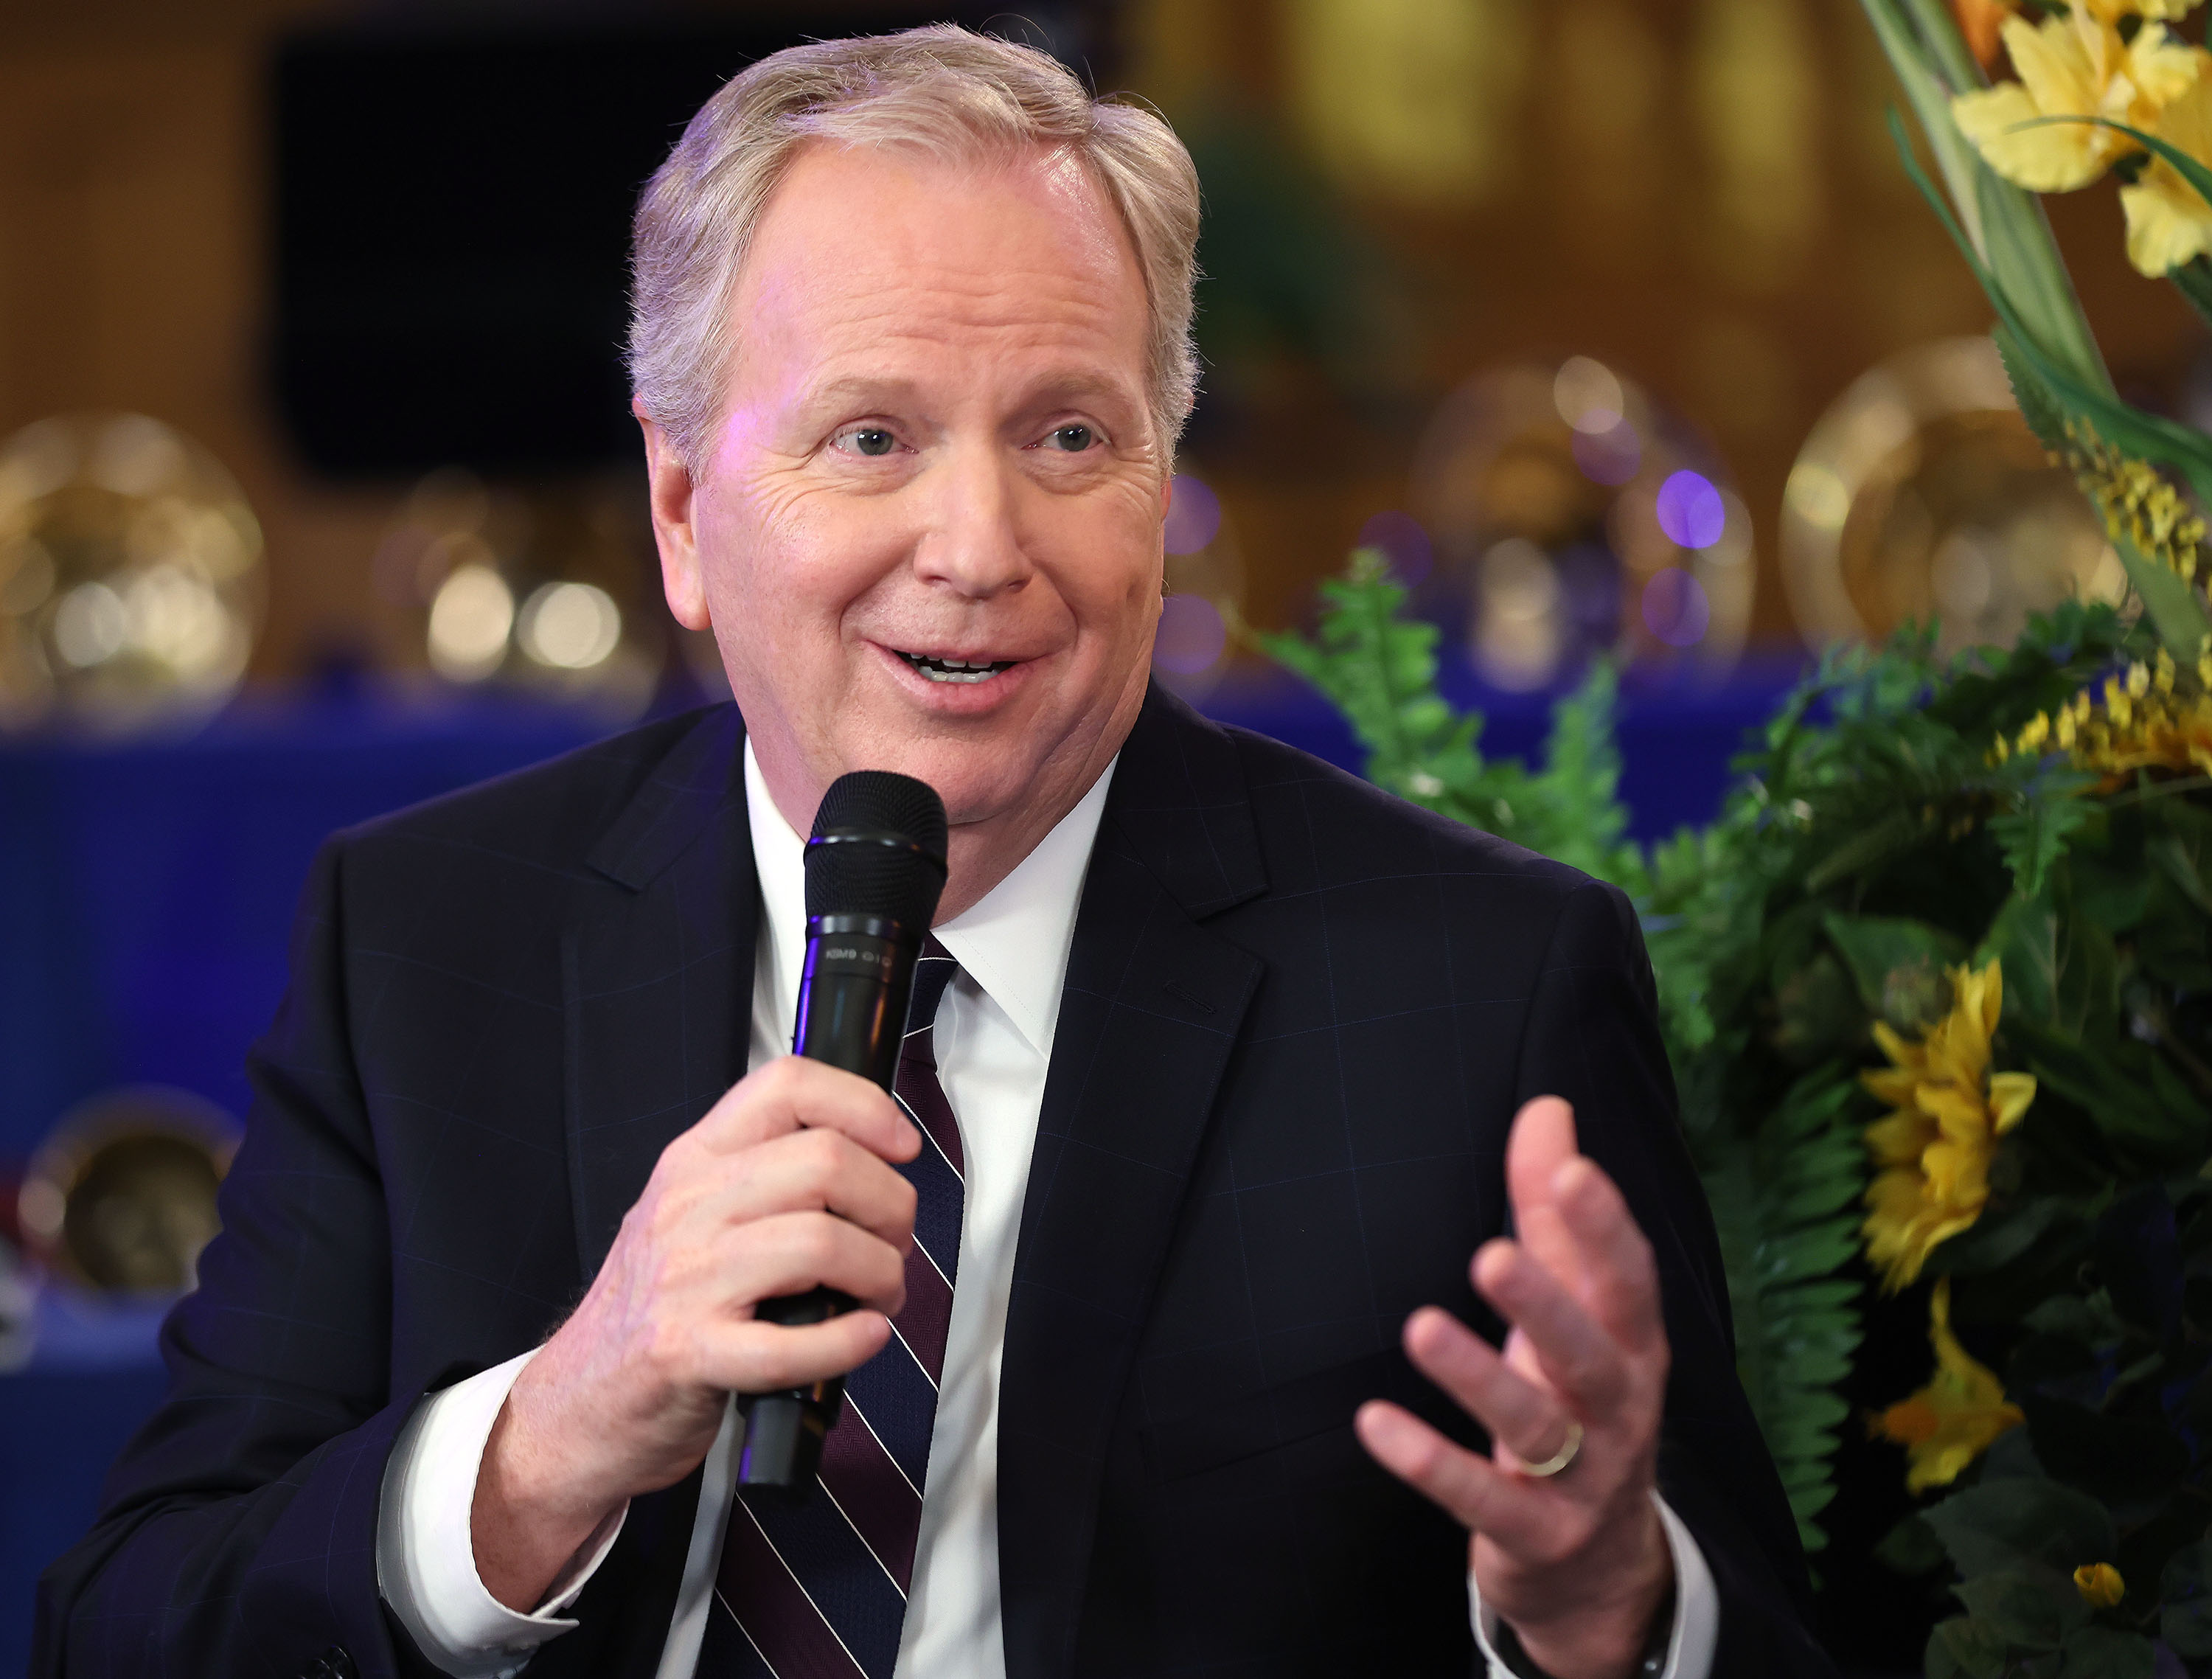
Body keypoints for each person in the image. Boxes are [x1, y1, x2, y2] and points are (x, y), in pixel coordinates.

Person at [36, 27, 1834, 1679]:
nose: (976, 543)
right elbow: (128, 1617)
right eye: (873, 438)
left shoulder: (1476, 989)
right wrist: (548, 1437)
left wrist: (1606, 1607)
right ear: (682, 510)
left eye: (1068, 434)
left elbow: (1748, 1639)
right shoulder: (428, 941)